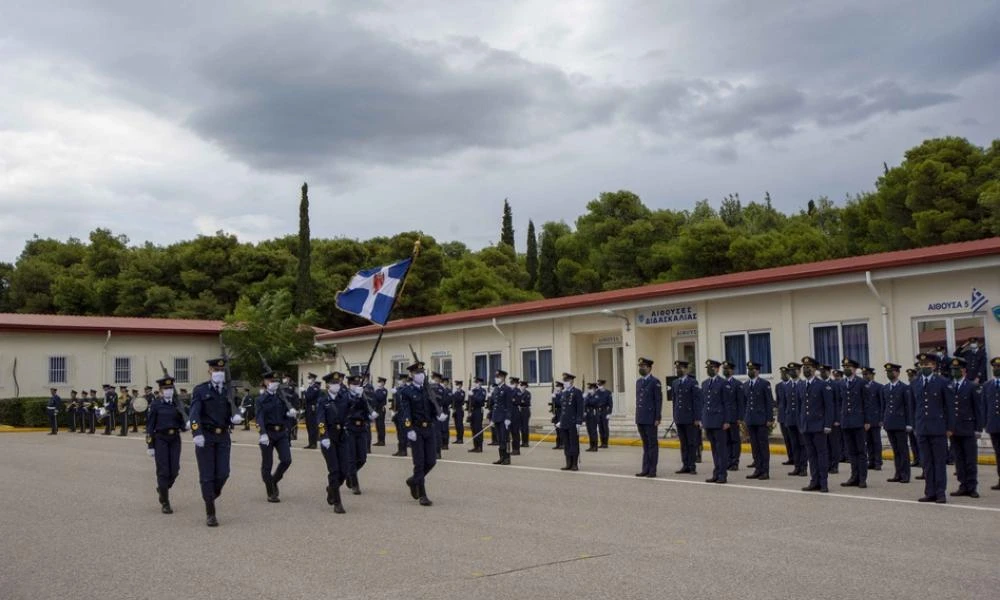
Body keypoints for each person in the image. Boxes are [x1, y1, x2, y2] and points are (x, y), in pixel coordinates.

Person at [189, 357, 244, 527]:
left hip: (223, 436)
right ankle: (210, 512)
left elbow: (232, 410)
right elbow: (194, 414)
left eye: (221, 371)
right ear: (209, 372)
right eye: (215, 370)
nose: (218, 373)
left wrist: (236, 416)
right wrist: (196, 432)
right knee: (207, 476)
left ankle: (211, 495)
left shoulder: (228, 391)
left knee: (223, 473)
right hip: (205, 436)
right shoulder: (200, 390)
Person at [398, 361, 448, 506]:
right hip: (416, 430)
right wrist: (409, 429)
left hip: (429, 429)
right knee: (419, 463)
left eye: (422, 372)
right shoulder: (406, 392)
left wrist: (438, 415)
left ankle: (414, 481)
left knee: (431, 461)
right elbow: (405, 412)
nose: (421, 375)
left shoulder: (428, 389)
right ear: (412, 375)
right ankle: (422, 494)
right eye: (418, 373)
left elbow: (432, 406)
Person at [913, 352, 953, 503]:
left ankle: (940, 492)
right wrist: (915, 424)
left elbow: (949, 406)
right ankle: (929, 492)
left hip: (938, 428)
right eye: (922, 365)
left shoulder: (943, 382)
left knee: (939, 462)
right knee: (927, 462)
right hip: (922, 428)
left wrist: (949, 427)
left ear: (934, 366)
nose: (924, 367)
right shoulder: (916, 382)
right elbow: (913, 406)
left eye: (927, 365)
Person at [145, 373, 186, 514]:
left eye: (170, 387)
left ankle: (162, 489)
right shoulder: (155, 405)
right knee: (163, 471)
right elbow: (150, 426)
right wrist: (150, 445)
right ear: (161, 390)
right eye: (166, 388)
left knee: (174, 470)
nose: (168, 390)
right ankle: (165, 502)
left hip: (175, 438)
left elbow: (182, 423)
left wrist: (185, 422)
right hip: (160, 439)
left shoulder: (177, 404)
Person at [945, 357, 984, 499]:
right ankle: (963, 485)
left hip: (968, 428)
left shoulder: (972, 386)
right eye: (953, 370)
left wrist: (979, 428)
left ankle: (972, 486)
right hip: (954, 429)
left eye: (957, 369)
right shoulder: (949, 386)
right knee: (959, 460)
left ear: (964, 371)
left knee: (970, 460)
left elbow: (977, 409)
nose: (955, 372)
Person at [256, 369, 295, 503]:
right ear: (266, 382)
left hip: (281, 433)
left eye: (275, 381)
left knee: (286, 460)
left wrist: (290, 414)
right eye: (271, 381)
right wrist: (262, 433)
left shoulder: (280, 398)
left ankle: (274, 480)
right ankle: (270, 490)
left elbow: (285, 415)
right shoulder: (261, 399)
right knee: (267, 464)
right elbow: (259, 417)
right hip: (268, 433)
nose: (274, 383)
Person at [798, 356, 834, 493]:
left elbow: (829, 407)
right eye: (804, 367)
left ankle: (823, 483)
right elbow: (801, 406)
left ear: (815, 369)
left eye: (809, 367)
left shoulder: (822, 385)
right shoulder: (801, 385)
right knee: (811, 455)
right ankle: (814, 481)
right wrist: (800, 423)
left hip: (819, 425)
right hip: (806, 425)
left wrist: (827, 425)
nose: (806, 369)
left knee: (821, 454)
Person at [318, 372, 350, 513]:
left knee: (345, 470)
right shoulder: (322, 401)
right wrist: (323, 435)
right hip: (329, 439)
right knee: (334, 470)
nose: (337, 386)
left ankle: (332, 488)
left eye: (338, 383)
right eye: (333, 383)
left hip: (342, 437)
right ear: (328, 385)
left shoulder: (344, 398)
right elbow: (320, 420)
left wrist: (358, 395)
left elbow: (355, 406)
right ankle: (337, 502)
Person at [838, 358, 871, 488]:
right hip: (846, 421)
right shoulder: (841, 383)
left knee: (861, 451)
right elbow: (840, 402)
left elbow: (867, 403)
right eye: (845, 366)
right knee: (851, 451)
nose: (846, 368)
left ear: (855, 369)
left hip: (859, 421)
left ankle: (862, 478)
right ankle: (854, 476)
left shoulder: (862, 383)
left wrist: (867, 420)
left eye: (849, 366)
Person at [701, 360, 735, 484]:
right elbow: (703, 403)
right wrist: (702, 419)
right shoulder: (704, 383)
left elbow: (727, 403)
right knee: (714, 449)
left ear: (717, 369)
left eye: (712, 367)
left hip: (719, 421)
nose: (709, 369)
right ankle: (716, 473)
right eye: (708, 367)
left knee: (721, 449)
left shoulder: (723, 383)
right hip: (708, 420)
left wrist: (727, 420)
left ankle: (722, 475)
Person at [880, 363, 913, 484]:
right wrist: (883, 420)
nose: (890, 374)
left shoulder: (904, 388)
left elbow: (908, 406)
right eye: (888, 372)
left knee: (903, 450)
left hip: (901, 423)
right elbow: (884, 406)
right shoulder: (885, 388)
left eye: (892, 372)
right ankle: (897, 473)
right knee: (895, 450)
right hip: (889, 422)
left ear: (898, 373)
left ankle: (905, 474)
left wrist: (909, 423)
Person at [346, 375, 376, 495]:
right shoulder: (345, 395)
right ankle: (354, 483)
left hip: (362, 427)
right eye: (354, 384)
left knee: (362, 458)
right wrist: (355, 396)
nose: (356, 386)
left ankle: (349, 475)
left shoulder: (362, 395)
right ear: (349, 384)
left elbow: (366, 408)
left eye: (358, 384)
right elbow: (348, 408)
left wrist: (370, 415)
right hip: (350, 427)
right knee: (352, 458)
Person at [743, 361, 773, 480]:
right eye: (749, 369)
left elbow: (769, 402)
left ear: (757, 371)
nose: (750, 371)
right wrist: (744, 417)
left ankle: (765, 471)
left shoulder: (764, 384)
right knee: (754, 445)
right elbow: (744, 402)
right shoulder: (745, 385)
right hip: (750, 419)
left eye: (753, 369)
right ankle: (757, 469)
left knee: (763, 446)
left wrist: (770, 418)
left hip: (761, 419)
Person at [670, 361, 702, 475]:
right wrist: (674, 415)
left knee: (691, 443)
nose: (679, 370)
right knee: (683, 443)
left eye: (681, 368)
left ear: (686, 369)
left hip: (690, 418)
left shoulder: (693, 382)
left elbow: (697, 401)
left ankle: (692, 466)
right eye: (677, 368)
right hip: (679, 417)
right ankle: (685, 464)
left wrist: (697, 418)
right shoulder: (675, 382)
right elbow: (674, 400)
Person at [635, 358, 663, 478]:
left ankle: (652, 470)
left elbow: (658, 400)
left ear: (649, 368)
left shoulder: (655, 382)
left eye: (644, 366)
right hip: (641, 417)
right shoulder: (639, 382)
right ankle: (645, 468)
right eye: (640, 366)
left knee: (652, 445)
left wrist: (657, 417)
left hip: (651, 418)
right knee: (645, 445)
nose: (641, 368)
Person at [556, 372, 584, 470]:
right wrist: (560, 421)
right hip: (564, 422)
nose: (565, 383)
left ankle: (575, 464)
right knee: (566, 443)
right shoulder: (563, 393)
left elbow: (580, 408)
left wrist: (579, 422)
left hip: (573, 422)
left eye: (566, 381)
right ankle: (568, 463)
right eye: (564, 381)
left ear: (571, 381)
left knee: (573, 443)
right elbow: (563, 409)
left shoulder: (577, 392)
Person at [720, 361, 744, 471]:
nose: (726, 370)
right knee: (725, 441)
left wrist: (740, 417)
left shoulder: (737, 384)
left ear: (732, 371)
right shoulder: (720, 383)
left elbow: (741, 402)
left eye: (728, 369)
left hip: (734, 417)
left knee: (734, 440)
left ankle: (735, 462)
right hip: (723, 417)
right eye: (724, 368)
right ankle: (728, 461)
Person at [862, 367, 884, 471]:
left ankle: (878, 462)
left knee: (876, 441)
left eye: (867, 374)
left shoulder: (879, 387)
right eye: (864, 374)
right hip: (865, 419)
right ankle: (870, 461)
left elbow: (882, 404)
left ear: (872, 375)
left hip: (875, 418)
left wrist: (881, 418)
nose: (865, 376)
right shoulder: (861, 386)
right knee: (868, 441)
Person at [490, 370, 514, 465]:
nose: (497, 378)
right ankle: (501, 457)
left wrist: (508, 418)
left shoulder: (507, 389)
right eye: (496, 377)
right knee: (500, 439)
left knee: (505, 438)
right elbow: (494, 405)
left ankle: (507, 458)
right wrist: (492, 418)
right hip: (497, 417)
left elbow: (509, 405)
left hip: (504, 418)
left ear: (503, 378)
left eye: (498, 377)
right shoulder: (496, 389)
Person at [984, 357, 1000, 491]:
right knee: (998, 454)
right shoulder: (987, 385)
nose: (996, 369)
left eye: (998, 367)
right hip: (994, 425)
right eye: (994, 367)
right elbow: (984, 405)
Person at [775, 367, 795, 466]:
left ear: (788, 374)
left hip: (791, 416)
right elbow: (778, 401)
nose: (782, 375)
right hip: (782, 416)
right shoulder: (778, 386)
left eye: (784, 373)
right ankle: (790, 457)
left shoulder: (792, 385)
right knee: (786, 438)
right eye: (781, 373)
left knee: (793, 438)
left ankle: (796, 458)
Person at [905, 367, 921, 468]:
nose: (910, 378)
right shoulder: (907, 388)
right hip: (909, 419)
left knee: (919, 442)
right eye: (909, 377)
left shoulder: (918, 388)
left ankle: (921, 461)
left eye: (912, 376)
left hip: (918, 419)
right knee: (912, 442)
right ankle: (916, 459)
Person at [390, 375, 409, 457]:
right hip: (398, 414)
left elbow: (403, 399)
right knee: (399, 433)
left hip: (404, 414)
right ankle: (400, 450)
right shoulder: (398, 389)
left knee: (402, 433)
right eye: (398, 380)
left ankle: (403, 451)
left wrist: (396, 393)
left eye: (400, 380)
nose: (399, 381)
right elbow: (395, 402)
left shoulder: (406, 389)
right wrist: (393, 410)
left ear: (404, 380)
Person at [302, 373, 321, 448]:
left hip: (313, 409)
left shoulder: (315, 387)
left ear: (313, 379)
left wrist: (304, 392)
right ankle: (310, 443)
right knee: (309, 426)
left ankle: (314, 444)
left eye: (310, 378)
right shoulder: (310, 387)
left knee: (313, 427)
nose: (308, 379)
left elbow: (309, 397)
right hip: (308, 409)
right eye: (308, 378)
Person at [467, 377, 486, 453]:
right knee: (473, 428)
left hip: (478, 410)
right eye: (475, 382)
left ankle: (479, 447)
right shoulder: (473, 390)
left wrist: (473, 395)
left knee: (478, 428)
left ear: (480, 383)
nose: (476, 383)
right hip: (473, 411)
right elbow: (469, 402)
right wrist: (468, 410)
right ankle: (475, 446)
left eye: (477, 382)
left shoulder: (482, 391)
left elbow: (480, 400)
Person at [372, 376, 389, 447]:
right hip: (376, 409)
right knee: (377, 426)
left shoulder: (384, 390)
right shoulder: (377, 391)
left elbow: (380, 398)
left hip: (381, 409)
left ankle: (382, 441)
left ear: (383, 383)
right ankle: (379, 440)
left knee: (381, 425)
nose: (378, 383)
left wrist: (374, 394)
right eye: (378, 382)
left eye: (380, 382)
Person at [584, 382, 601, 452]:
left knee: (593, 431)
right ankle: (591, 446)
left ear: (594, 389)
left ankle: (595, 446)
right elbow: (584, 403)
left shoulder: (597, 396)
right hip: (588, 415)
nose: (589, 390)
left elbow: (593, 403)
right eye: (589, 388)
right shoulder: (588, 396)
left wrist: (586, 399)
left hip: (593, 415)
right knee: (589, 431)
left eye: (590, 388)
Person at [596, 379, 612, 448]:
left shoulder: (608, 393)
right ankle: (602, 442)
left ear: (603, 385)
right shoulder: (596, 392)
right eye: (598, 385)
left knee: (605, 427)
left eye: (600, 385)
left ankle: (606, 443)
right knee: (600, 428)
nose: (599, 386)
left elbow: (610, 404)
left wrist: (609, 413)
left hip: (604, 411)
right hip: (598, 411)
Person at [508, 377, 521, 456]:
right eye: (511, 383)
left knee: (515, 432)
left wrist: (512, 400)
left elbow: (518, 401)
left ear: (516, 384)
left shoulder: (518, 391)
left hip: (515, 413)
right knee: (510, 432)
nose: (512, 385)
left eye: (513, 383)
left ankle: (516, 449)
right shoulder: (510, 391)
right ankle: (512, 448)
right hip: (510, 413)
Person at [517, 379, 532, 448]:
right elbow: (517, 401)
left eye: (524, 386)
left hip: (525, 410)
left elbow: (526, 402)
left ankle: (526, 442)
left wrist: (520, 401)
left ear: (526, 386)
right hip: (519, 411)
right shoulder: (518, 393)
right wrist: (520, 401)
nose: (522, 387)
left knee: (525, 427)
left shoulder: (527, 393)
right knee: (521, 427)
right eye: (521, 385)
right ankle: (523, 441)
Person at [550, 382, 564, 450]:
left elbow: (559, 403)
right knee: (557, 430)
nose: (557, 388)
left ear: (561, 387)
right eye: (556, 386)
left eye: (558, 386)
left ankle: (562, 444)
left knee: (561, 429)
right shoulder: (556, 395)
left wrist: (555, 397)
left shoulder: (562, 394)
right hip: (556, 413)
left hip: (561, 412)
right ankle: (558, 444)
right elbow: (553, 405)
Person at [451, 380, 466, 445]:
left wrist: (455, 394)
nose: (457, 386)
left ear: (461, 385)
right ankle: (457, 438)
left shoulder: (462, 392)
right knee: (456, 425)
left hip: (459, 409)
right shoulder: (455, 392)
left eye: (458, 385)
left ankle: (461, 439)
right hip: (455, 410)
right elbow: (452, 400)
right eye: (457, 385)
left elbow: (460, 399)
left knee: (460, 425)